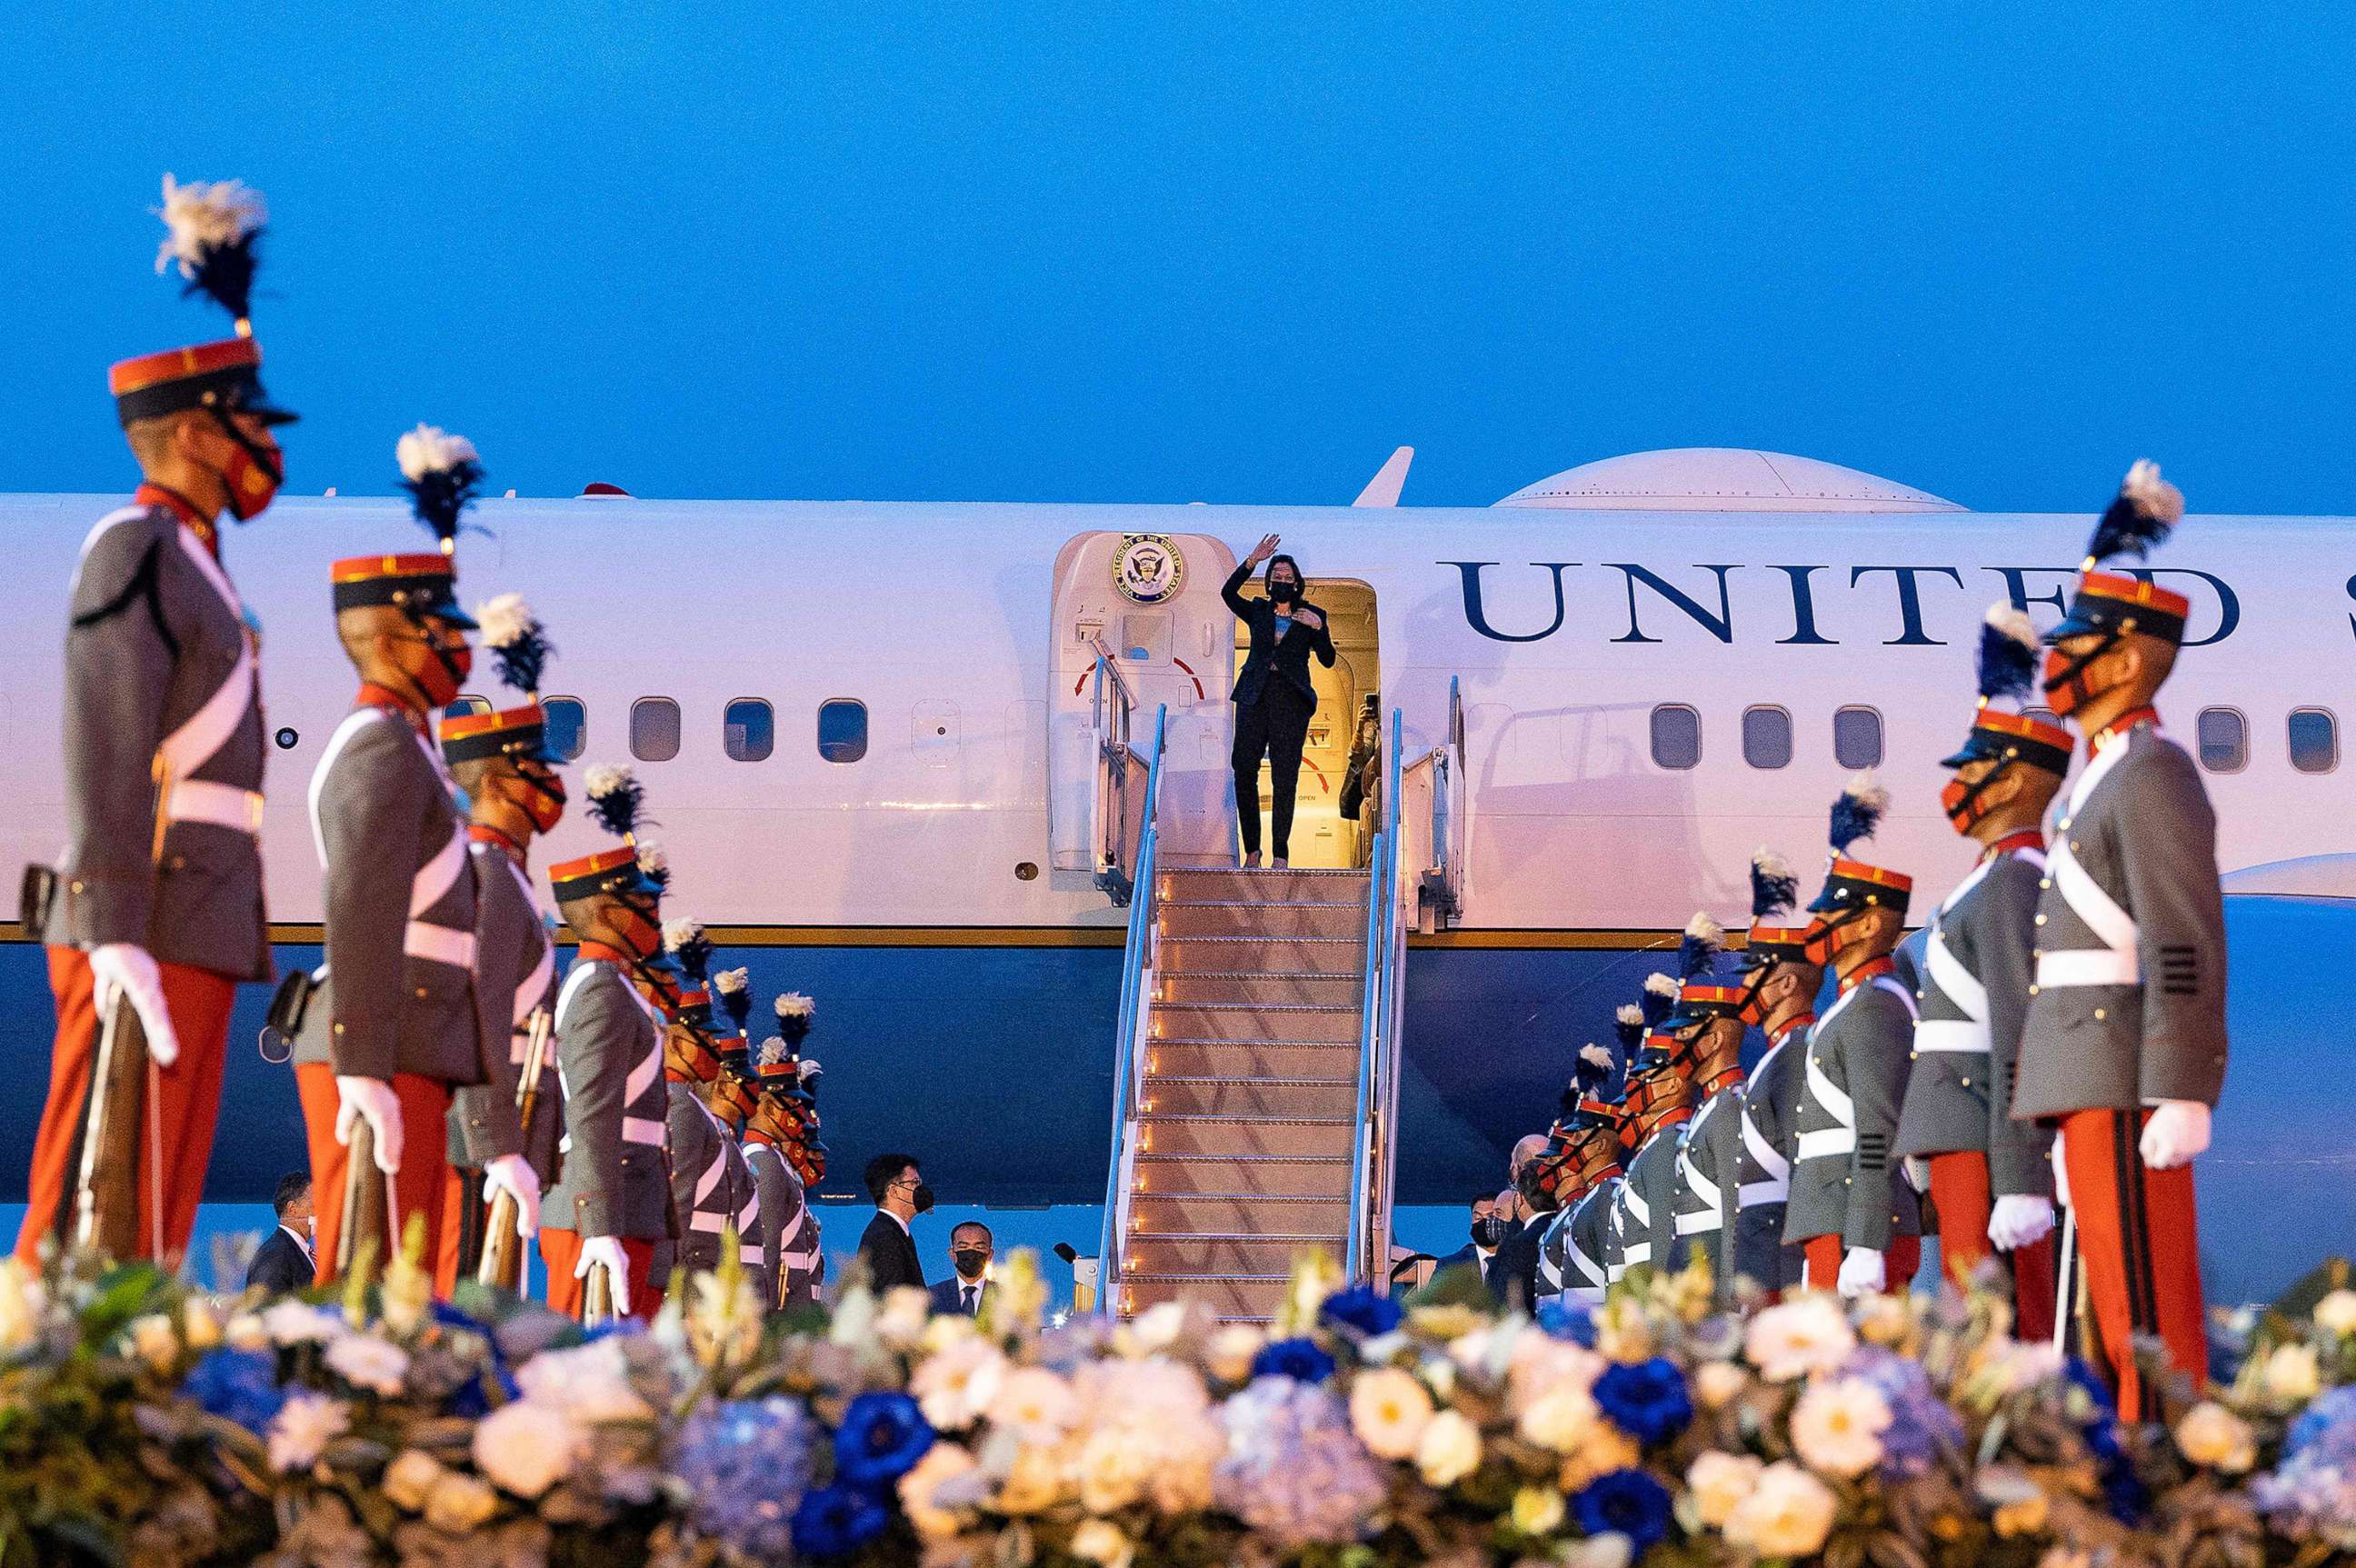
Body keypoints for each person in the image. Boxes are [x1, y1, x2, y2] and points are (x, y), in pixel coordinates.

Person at [17, 176, 293, 1270]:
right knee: (102, 1171)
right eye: (245, 426)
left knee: (163, 1178)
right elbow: (110, 738)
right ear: (188, 432)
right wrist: (113, 918)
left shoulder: (201, 567)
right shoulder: (133, 553)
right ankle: (53, 1375)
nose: (263, 449)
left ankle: (128, 1369)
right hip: (151, 905)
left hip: (200, 907)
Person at [2015, 461, 2226, 1417]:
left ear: (2129, 658)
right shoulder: (2094, 781)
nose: (2056, 660)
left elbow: (2180, 933)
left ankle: (2168, 1468)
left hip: (2126, 1076)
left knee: (2145, 1305)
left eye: (2079, 642)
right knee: (2101, 1296)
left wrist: (2180, 1084)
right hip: (2085, 1076)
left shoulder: (2150, 774)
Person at [293, 428, 492, 1283]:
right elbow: (360, 915)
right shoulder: (378, 747)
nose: (461, 647)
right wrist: (363, 1060)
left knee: (405, 1261)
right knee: (371, 1261)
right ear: (393, 638)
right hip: (390, 1030)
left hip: (418, 1031)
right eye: (443, 629)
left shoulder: (410, 750)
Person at [1895, 604, 2070, 1342]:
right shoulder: (1986, 878)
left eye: (1972, 770)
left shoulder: (2013, 881)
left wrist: (2022, 1171)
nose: (1957, 786)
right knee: (1974, 1313)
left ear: (2011, 781)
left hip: (1985, 1134)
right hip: (1957, 1134)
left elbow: (2018, 1032)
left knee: (2010, 1317)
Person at [434, 600, 564, 1294]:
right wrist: (497, 1143)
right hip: (480, 1150)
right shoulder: (487, 878)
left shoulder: (506, 879)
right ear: (495, 785)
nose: (553, 789)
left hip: (505, 1143)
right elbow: (477, 1023)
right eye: (536, 774)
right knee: (468, 1304)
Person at [539, 775, 671, 1322]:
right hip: (599, 1209)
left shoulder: (614, 987)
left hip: (628, 1202)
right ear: (612, 912)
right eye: (647, 905)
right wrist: (598, 1223)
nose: (656, 920)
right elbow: (590, 1110)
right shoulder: (599, 988)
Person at [1784, 776, 1922, 1298]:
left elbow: (1876, 1132)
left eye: (1830, 913)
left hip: (1856, 1226)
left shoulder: (1874, 1007)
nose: (1816, 924)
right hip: (1834, 1223)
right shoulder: (1853, 1004)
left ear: (1867, 925)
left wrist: (1865, 1241)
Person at [1731, 851, 1818, 1299]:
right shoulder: (1778, 1056)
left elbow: (1809, 1174)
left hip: (1783, 1259)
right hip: (1763, 1255)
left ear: (1787, 984)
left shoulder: (1798, 1056)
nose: (1744, 987)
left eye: (1755, 974)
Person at [1223, 534, 1335, 869]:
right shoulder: (1257, 610)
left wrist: (1320, 629)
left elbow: (1328, 660)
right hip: (1254, 696)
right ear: (1270, 582)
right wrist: (1251, 561)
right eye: (1277, 577)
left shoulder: (1313, 614)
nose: (1282, 582)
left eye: (1288, 578)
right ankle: (1253, 850)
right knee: (1244, 768)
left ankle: (1281, 854)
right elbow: (1228, 594)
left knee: (1285, 777)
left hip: (1290, 701)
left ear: (1297, 583)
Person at [858, 1153, 930, 1291]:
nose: (921, 1189)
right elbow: (892, 1297)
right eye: (915, 1182)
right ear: (894, 1191)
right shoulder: (885, 1237)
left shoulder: (894, 1232)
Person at [245, 1173, 316, 1294]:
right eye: (316, 1203)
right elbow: (268, 1308)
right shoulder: (274, 1255)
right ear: (292, 1209)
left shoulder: (297, 1250)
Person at [929, 1222, 994, 1315]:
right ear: (952, 1254)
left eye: (979, 1247)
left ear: (990, 1254)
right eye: (963, 1247)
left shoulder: (1007, 1296)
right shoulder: (932, 1295)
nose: (971, 1253)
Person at [1433, 1193, 1504, 1279]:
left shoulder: (1520, 1260)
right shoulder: (1450, 1266)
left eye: (1490, 1217)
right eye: (1478, 1218)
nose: (1484, 1223)